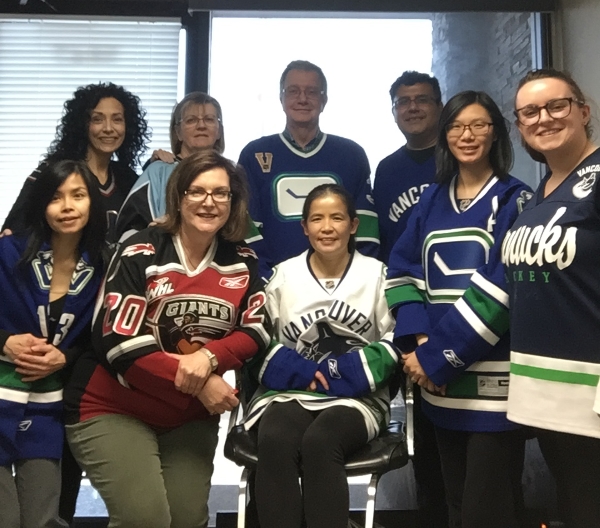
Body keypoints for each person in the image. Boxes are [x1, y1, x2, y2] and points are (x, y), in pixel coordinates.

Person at [64, 150, 271, 528]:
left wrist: (208, 360)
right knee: (147, 519)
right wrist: (203, 383)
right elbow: (118, 344)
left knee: (187, 520)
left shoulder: (243, 259)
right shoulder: (139, 250)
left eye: (220, 193)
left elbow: (257, 330)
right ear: (177, 197)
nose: (209, 202)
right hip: (112, 405)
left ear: (233, 201)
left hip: (187, 416)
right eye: (197, 191)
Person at [387, 91, 532, 528]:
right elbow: (402, 270)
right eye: (457, 126)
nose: (467, 135)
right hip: (438, 383)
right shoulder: (431, 200)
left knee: (488, 506)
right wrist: (422, 342)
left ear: (496, 133)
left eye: (479, 125)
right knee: (452, 499)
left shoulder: (514, 200)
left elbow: (502, 289)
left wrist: (436, 360)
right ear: (445, 133)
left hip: (491, 384)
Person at [243, 184, 399, 528]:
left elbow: (397, 339)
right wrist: (295, 370)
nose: (327, 227)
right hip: (290, 393)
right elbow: (255, 337)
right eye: (317, 219)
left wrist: (350, 373)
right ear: (304, 227)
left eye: (337, 218)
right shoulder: (284, 275)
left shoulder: (377, 275)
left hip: (357, 398)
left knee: (321, 441)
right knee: (275, 439)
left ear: (354, 225)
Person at [503, 68, 600, 528]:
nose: (544, 118)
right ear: (520, 127)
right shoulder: (532, 198)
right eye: (529, 112)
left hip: (593, 391)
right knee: (576, 504)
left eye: (556, 105)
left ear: (583, 111)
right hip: (546, 390)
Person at [0, 160, 106, 528]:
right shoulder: (8, 253)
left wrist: (64, 357)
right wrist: (4, 343)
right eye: (55, 197)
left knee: (43, 517)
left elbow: (102, 339)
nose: (67, 207)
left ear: (92, 202)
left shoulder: (106, 264)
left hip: (49, 403)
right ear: (41, 204)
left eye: (78, 195)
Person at [372, 71, 447, 528]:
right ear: (394, 111)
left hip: (462, 311)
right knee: (425, 430)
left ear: (439, 106)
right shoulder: (388, 168)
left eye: (422, 100)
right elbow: (384, 245)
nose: (413, 108)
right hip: (410, 312)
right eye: (404, 102)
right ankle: (434, 514)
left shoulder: (458, 158)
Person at [238, 60, 379, 277]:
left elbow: (366, 232)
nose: (302, 99)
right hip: (274, 286)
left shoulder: (351, 155)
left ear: (323, 100)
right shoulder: (254, 154)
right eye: (293, 91)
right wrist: (265, 280)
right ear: (281, 98)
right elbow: (247, 229)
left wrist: (353, 280)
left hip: (342, 285)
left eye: (311, 92)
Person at [3, 82, 150, 244]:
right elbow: (14, 230)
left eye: (117, 119)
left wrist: (157, 165)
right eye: (97, 119)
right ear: (82, 125)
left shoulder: (127, 178)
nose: (108, 128)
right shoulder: (54, 171)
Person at [115, 91, 224, 241]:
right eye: (191, 120)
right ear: (178, 132)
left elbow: (241, 232)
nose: (201, 125)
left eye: (209, 119)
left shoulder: (228, 176)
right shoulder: (157, 172)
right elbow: (128, 232)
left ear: (219, 131)